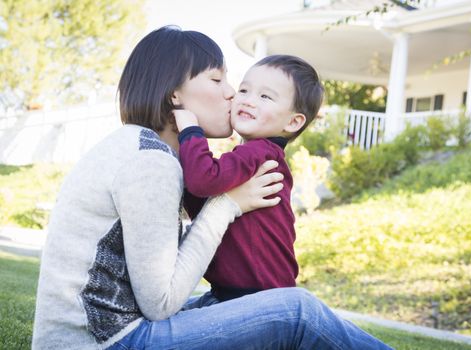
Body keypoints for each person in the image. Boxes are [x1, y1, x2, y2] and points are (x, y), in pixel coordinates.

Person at [32, 25, 393, 350]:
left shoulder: (140, 149)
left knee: (224, 305)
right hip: (107, 341)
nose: (233, 94)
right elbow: (161, 304)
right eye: (218, 80)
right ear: (176, 95)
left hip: (106, 332)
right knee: (297, 310)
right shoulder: (150, 163)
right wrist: (229, 204)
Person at [173, 54, 323, 302]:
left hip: (260, 296)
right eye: (244, 90)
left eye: (265, 96)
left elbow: (203, 182)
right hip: (237, 293)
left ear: (293, 121)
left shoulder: (261, 153)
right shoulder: (250, 157)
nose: (248, 101)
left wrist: (190, 131)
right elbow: (203, 200)